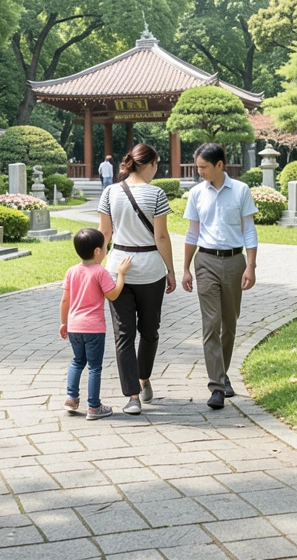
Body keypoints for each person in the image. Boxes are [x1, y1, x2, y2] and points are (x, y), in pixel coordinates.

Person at [98, 144, 176, 415]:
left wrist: (95, 267)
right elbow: (161, 236)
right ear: (148, 164)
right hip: (151, 270)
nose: (157, 170)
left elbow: (104, 234)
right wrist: (171, 271)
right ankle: (138, 385)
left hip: (117, 267)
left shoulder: (110, 192)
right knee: (149, 330)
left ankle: (136, 390)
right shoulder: (156, 194)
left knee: (124, 334)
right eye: (156, 165)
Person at [180, 143, 258, 410]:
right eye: (198, 166)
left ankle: (223, 375)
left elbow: (249, 230)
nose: (199, 171)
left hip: (235, 261)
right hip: (205, 261)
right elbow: (192, 233)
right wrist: (185, 268)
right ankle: (216, 386)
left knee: (229, 324)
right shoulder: (196, 193)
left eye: (203, 167)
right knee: (211, 323)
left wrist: (251, 266)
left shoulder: (241, 190)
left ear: (219, 165)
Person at [60, 228, 131, 421]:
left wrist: (64, 323)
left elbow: (65, 300)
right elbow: (113, 295)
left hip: (74, 327)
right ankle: (94, 407)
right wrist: (121, 274)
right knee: (94, 367)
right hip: (94, 329)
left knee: (77, 361)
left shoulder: (72, 271)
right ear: (97, 251)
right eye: (105, 246)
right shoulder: (100, 272)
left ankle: (71, 397)